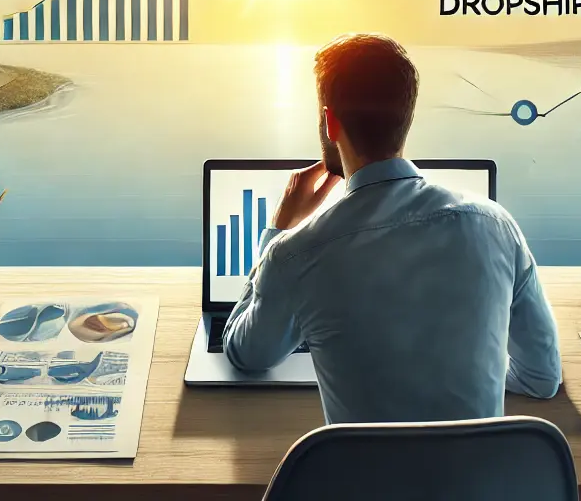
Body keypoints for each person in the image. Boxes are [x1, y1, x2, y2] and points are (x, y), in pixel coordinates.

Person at [223, 33, 561, 423]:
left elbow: (246, 354)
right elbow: (541, 379)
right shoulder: (495, 225)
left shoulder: (296, 255)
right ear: (407, 115)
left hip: (363, 486)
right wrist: (462, 371)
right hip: (479, 484)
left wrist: (279, 230)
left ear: (330, 122)